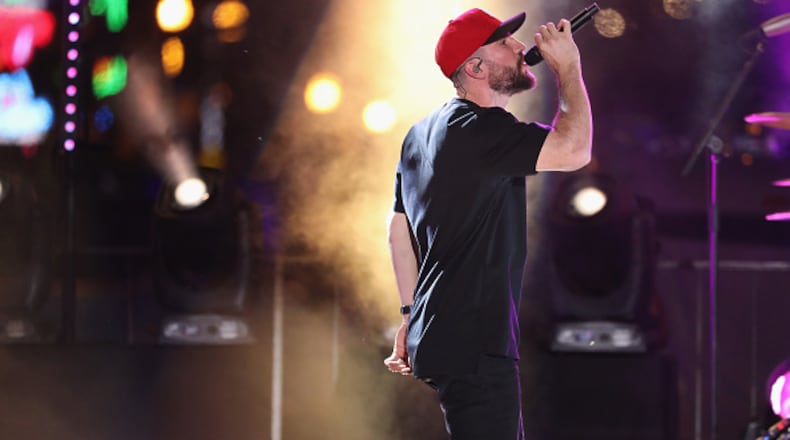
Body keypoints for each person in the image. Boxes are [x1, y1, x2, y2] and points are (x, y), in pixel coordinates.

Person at [384, 6, 593, 440]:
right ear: (476, 67)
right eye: (504, 43)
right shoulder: (480, 130)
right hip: (475, 342)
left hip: (442, 335)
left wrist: (410, 314)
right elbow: (574, 149)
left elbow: (397, 229)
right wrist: (568, 67)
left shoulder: (421, 132)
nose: (521, 46)